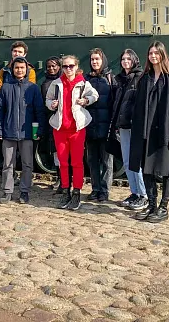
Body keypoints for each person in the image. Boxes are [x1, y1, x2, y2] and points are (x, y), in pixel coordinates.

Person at [129, 41, 169, 223]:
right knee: (147, 170)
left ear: (162, 54)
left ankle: (163, 207)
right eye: (150, 53)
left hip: (164, 132)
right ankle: (152, 205)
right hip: (145, 131)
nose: (153, 56)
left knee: (167, 170)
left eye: (156, 53)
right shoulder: (145, 78)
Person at [46, 55, 98, 211]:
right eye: (65, 66)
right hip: (60, 128)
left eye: (71, 66)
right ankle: (65, 190)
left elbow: (95, 95)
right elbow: (48, 99)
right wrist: (51, 104)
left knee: (76, 162)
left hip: (77, 128)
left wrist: (86, 100)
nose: (68, 69)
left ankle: (76, 192)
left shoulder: (83, 83)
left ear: (76, 67)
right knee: (63, 162)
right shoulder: (56, 84)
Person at [0, 57, 46, 204]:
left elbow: (39, 110)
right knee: (8, 164)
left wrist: (39, 130)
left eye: (22, 68)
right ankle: (7, 191)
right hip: (9, 131)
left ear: (26, 70)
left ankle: (24, 191)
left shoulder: (33, 88)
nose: (19, 70)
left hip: (27, 132)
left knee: (27, 163)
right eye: (17, 67)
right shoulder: (5, 87)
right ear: (13, 69)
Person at [107, 49, 147, 211]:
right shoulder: (120, 79)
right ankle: (134, 192)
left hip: (134, 125)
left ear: (134, 60)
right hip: (122, 124)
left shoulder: (140, 78)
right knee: (127, 161)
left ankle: (143, 195)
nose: (125, 62)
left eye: (128, 59)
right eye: (123, 59)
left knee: (136, 161)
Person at [84, 48, 116, 202]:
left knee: (106, 161)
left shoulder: (110, 78)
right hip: (90, 124)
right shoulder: (86, 79)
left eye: (97, 59)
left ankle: (104, 190)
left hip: (105, 125)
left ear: (103, 60)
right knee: (92, 160)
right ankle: (95, 188)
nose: (95, 62)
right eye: (92, 59)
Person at [40, 57, 64, 192]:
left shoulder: (62, 81)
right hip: (52, 121)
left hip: (64, 121)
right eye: (49, 66)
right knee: (56, 151)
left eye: (54, 66)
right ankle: (60, 178)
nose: (51, 68)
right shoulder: (45, 83)